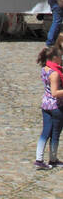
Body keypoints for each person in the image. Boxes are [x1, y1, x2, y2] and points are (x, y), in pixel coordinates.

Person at [36, 41, 63, 170]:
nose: (61, 58)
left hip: (45, 105)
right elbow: (55, 92)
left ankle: (39, 158)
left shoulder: (44, 68)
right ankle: (53, 159)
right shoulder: (55, 73)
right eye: (60, 56)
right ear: (55, 58)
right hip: (56, 107)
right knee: (55, 134)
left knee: (45, 132)